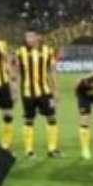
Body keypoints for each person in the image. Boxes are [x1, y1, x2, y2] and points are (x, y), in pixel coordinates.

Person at [15, 29, 59, 158]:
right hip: (27, 92)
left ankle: (52, 149)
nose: (28, 39)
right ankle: (29, 150)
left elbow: (52, 71)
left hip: (45, 91)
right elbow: (16, 71)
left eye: (31, 36)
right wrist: (15, 90)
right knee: (29, 120)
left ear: (38, 37)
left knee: (52, 117)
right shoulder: (20, 52)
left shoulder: (48, 51)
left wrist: (56, 90)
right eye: (27, 37)